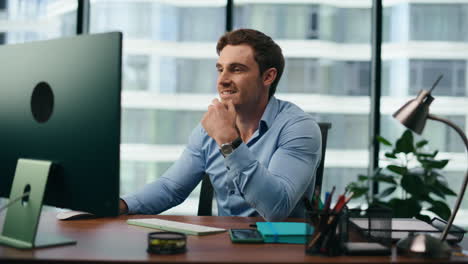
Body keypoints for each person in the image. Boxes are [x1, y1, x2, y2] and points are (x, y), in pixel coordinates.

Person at [120, 28, 321, 221]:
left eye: (236, 69)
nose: (222, 80)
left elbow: (276, 208)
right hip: (225, 245)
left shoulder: (299, 128)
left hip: (280, 250)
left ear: (268, 76)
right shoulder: (209, 127)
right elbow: (170, 188)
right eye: (220, 69)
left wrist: (228, 141)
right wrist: (121, 205)